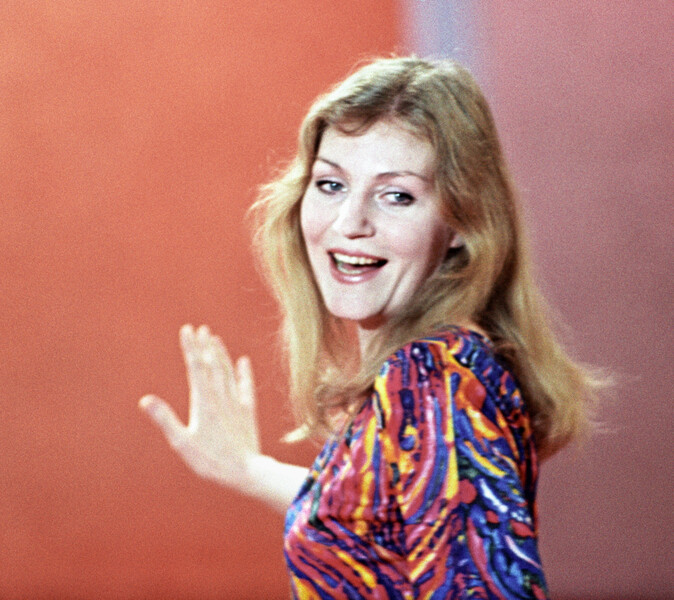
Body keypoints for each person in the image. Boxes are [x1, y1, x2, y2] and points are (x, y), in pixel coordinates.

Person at [139, 56, 602, 599]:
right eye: (331, 184)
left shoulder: (432, 379)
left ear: (462, 222)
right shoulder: (435, 372)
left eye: (396, 195)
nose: (349, 223)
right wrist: (249, 469)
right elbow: (377, 524)